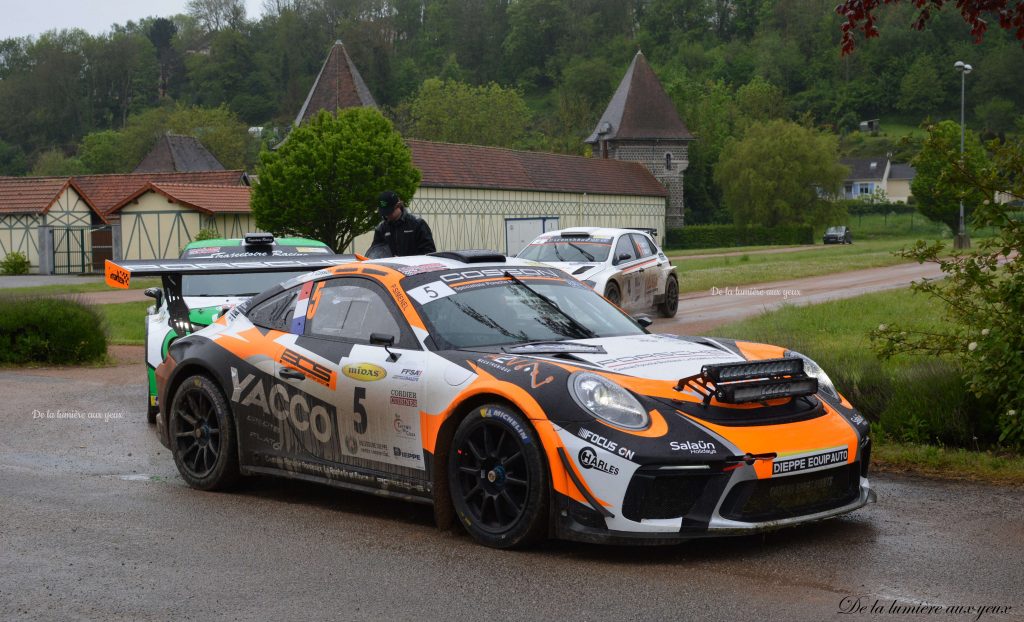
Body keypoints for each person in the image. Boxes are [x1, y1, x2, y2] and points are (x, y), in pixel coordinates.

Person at [370, 191, 436, 256]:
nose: (387, 215)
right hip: (390, 266)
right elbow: (376, 253)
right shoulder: (381, 228)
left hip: (414, 266)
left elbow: (429, 252)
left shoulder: (417, 224)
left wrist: (404, 260)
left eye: (389, 212)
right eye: (384, 213)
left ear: (398, 205)